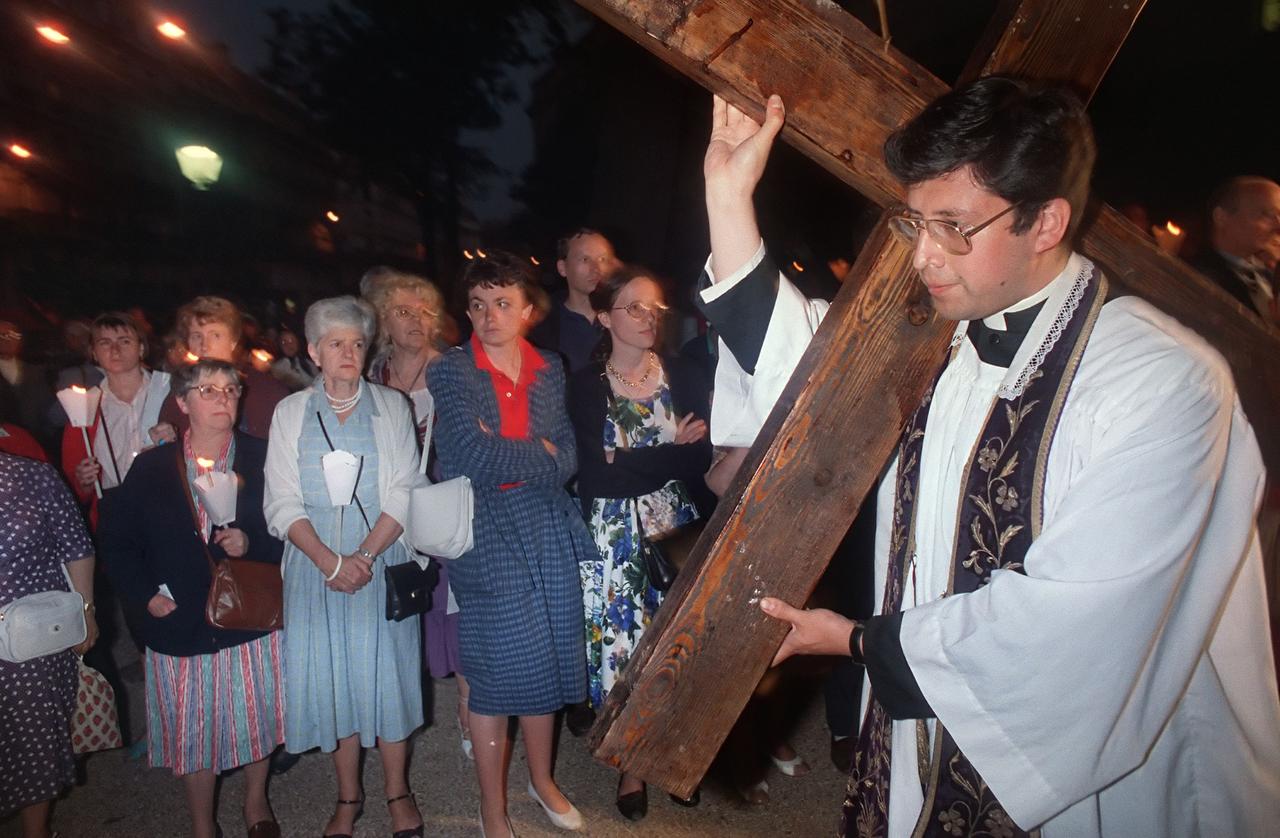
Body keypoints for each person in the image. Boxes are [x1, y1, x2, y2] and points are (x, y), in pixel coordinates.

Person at [697, 81, 1280, 836]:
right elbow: (800, 372)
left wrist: (853, 640)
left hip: (1091, 778)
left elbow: (1073, 621)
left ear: (1047, 222)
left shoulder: (1161, 381)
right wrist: (727, 196)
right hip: (924, 728)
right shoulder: (944, 331)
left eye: (954, 227)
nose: (923, 256)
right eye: (915, 221)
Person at [428, 251, 592, 837]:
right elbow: (469, 456)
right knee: (498, 670)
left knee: (546, 656)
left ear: (527, 309)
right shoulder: (451, 371)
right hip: (486, 526)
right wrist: (537, 454)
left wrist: (534, 455)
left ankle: (541, 780)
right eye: (477, 305)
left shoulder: (549, 365)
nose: (488, 316)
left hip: (546, 523)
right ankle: (491, 808)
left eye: (502, 303)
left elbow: (568, 456)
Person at [98, 359, 283, 838]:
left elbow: (290, 527)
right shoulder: (152, 465)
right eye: (207, 390)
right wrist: (143, 597)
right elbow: (118, 543)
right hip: (179, 617)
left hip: (249, 612)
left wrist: (253, 543)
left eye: (230, 389)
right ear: (181, 403)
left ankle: (256, 801)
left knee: (255, 713)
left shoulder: (262, 457)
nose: (222, 398)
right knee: (194, 729)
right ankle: (203, 824)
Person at [263, 297, 424, 838]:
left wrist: (364, 557)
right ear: (313, 351)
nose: (348, 352)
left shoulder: (391, 406)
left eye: (356, 343)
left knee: (391, 679)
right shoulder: (290, 414)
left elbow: (404, 491)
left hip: (381, 557)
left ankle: (398, 791)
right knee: (336, 681)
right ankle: (348, 797)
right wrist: (330, 562)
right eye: (335, 343)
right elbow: (281, 502)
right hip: (315, 568)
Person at [566, 263, 712, 819]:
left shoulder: (684, 374)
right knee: (625, 648)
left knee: (680, 643)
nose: (648, 318)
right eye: (633, 307)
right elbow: (598, 477)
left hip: (676, 528)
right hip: (612, 536)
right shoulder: (585, 384)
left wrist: (627, 456)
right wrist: (668, 451)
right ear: (603, 316)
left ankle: (674, 752)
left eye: (654, 307)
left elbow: (699, 458)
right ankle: (630, 762)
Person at [361, 269, 474, 757]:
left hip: (443, 507)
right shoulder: (373, 374)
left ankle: (473, 721)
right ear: (383, 320)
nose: (417, 320)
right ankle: (400, 715)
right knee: (406, 606)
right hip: (393, 510)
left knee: (461, 613)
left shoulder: (454, 368)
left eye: (425, 312)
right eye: (404, 311)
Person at [0, 453, 97, 838]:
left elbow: (76, 546)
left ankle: (35, 831)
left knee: (35, 738)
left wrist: (87, 611)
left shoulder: (31, 475)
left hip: (34, 635)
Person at [61, 312, 174, 528]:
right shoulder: (83, 408)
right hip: (114, 519)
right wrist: (84, 482)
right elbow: (75, 488)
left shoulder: (169, 393)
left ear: (141, 348)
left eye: (124, 341)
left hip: (167, 511)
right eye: (105, 343)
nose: (115, 350)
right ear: (94, 352)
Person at [158, 296, 288, 439]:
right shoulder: (181, 395)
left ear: (233, 341)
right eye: (196, 336)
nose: (204, 345)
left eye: (215, 335)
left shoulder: (267, 392)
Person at [1192, 176, 1280, 323]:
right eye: (1267, 215)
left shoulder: (1269, 273)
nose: (1278, 226)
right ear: (1221, 217)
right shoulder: (1199, 279)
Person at [529, 228, 617, 373]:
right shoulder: (540, 327)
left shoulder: (627, 319)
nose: (597, 269)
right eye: (585, 259)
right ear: (563, 268)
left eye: (603, 259)